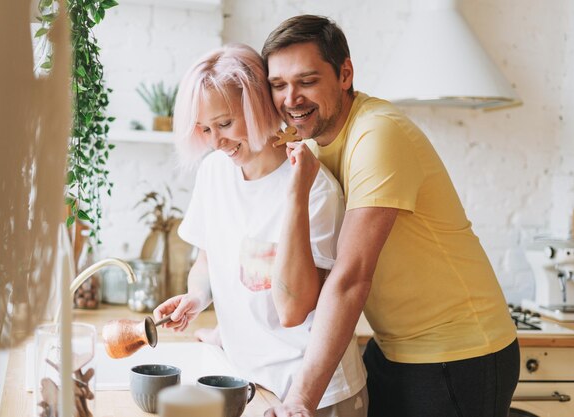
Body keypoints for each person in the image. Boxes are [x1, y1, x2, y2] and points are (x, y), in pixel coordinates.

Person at [261, 15, 520, 417]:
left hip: (461, 353)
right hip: (395, 347)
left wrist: (300, 399)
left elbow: (350, 278)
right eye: (278, 85)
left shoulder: (377, 135)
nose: (291, 98)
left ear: (345, 73)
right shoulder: (312, 145)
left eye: (307, 81)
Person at [153, 43, 368, 417]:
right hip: (249, 383)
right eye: (204, 128)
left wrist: (295, 198)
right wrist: (195, 297)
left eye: (224, 124)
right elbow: (207, 259)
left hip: (313, 395)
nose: (215, 141)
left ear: (258, 106)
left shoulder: (314, 189)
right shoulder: (214, 172)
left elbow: (296, 308)